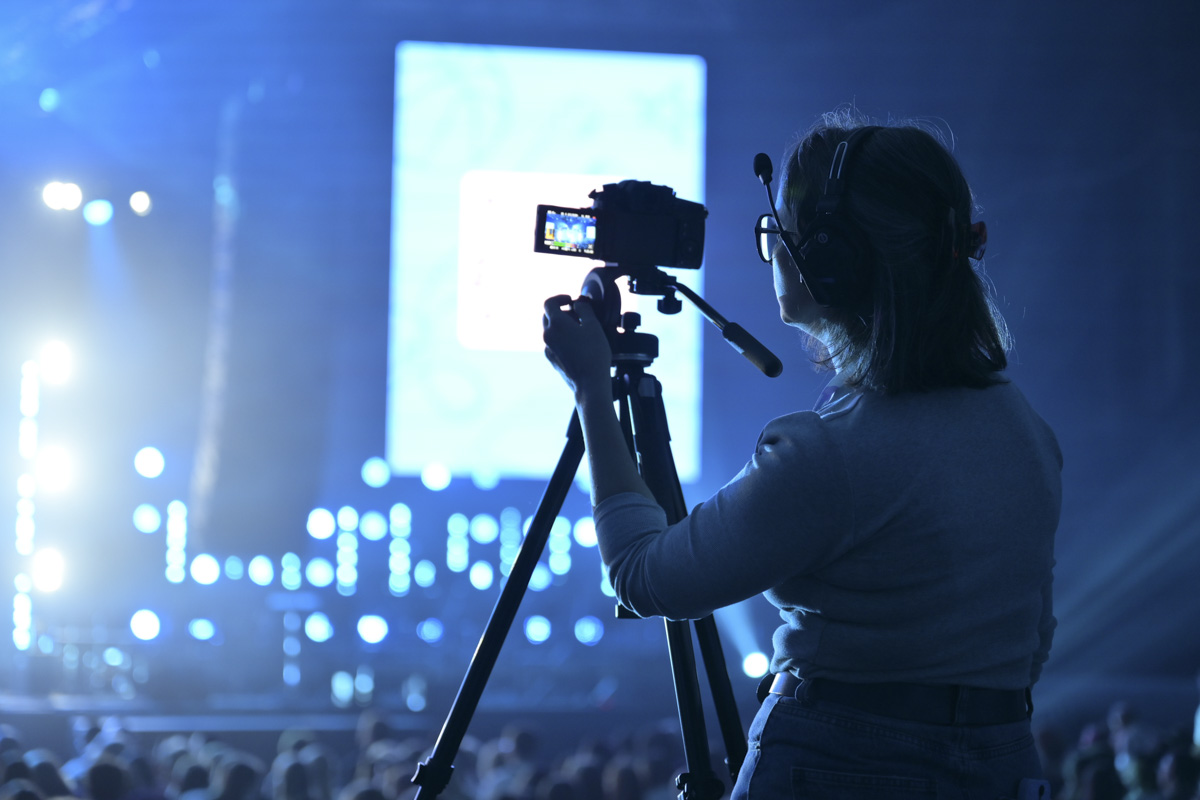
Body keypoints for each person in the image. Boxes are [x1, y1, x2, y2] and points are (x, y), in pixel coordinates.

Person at [542, 110, 1061, 799]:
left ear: (831, 259)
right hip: (1004, 760)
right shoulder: (1025, 431)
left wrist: (591, 390)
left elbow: (643, 576)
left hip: (835, 759)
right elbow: (1034, 638)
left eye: (780, 232)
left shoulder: (829, 454)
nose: (775, 250)